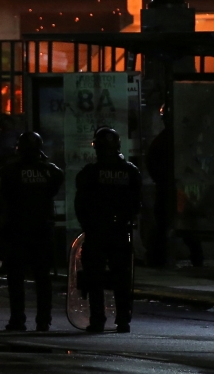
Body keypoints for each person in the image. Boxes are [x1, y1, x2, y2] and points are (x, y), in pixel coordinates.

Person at [75, 127, 141, 333]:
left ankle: (97, 320)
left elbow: (80, 204)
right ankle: (123, 320)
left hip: (97, 232)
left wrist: (88, 226)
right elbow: (136, 203)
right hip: (120, 231)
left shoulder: (90, 173)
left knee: (94, 278)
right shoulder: (130, 171)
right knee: (121, 277)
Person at [0, 131, 63, 331]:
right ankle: (43, 320)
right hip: (42, 230)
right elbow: (54, 185)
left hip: (17, 230)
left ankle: (17, 319)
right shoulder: (51, 171)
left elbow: (3, 199)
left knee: (15, 278)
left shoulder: (9, 171)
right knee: (43, 278)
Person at [145, 104, 202, 267]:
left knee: (167, 225)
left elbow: (152, 164)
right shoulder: (181, 140)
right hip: (178, 188)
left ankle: (161, 259)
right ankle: (195, 257)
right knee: (184, 226)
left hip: (169, 189)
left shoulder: (163, 141)